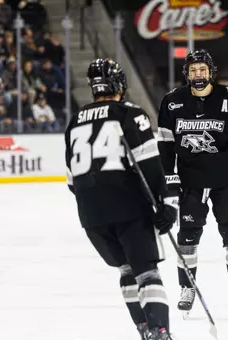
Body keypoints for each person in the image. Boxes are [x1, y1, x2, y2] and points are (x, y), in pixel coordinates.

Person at [64, 58, 178, 340]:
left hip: (91, 214)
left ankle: (144, 328)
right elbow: (149, 163)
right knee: (146, 270)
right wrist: (167, 203)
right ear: (118, 84)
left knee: (125, 268)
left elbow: (71, 180)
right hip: (128, 206)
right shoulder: (129, 114)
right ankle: (159, 331)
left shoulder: (75, 121)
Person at [157, 49, 228, 316]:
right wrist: (169, 179)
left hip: (225, 180)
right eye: (193, 70)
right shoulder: (171, 101)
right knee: (187, 239)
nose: (197, 75)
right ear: (186, 74)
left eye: (202, 70)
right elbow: (165, 145)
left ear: (211, 72)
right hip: (191, 181)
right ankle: (187, 288)